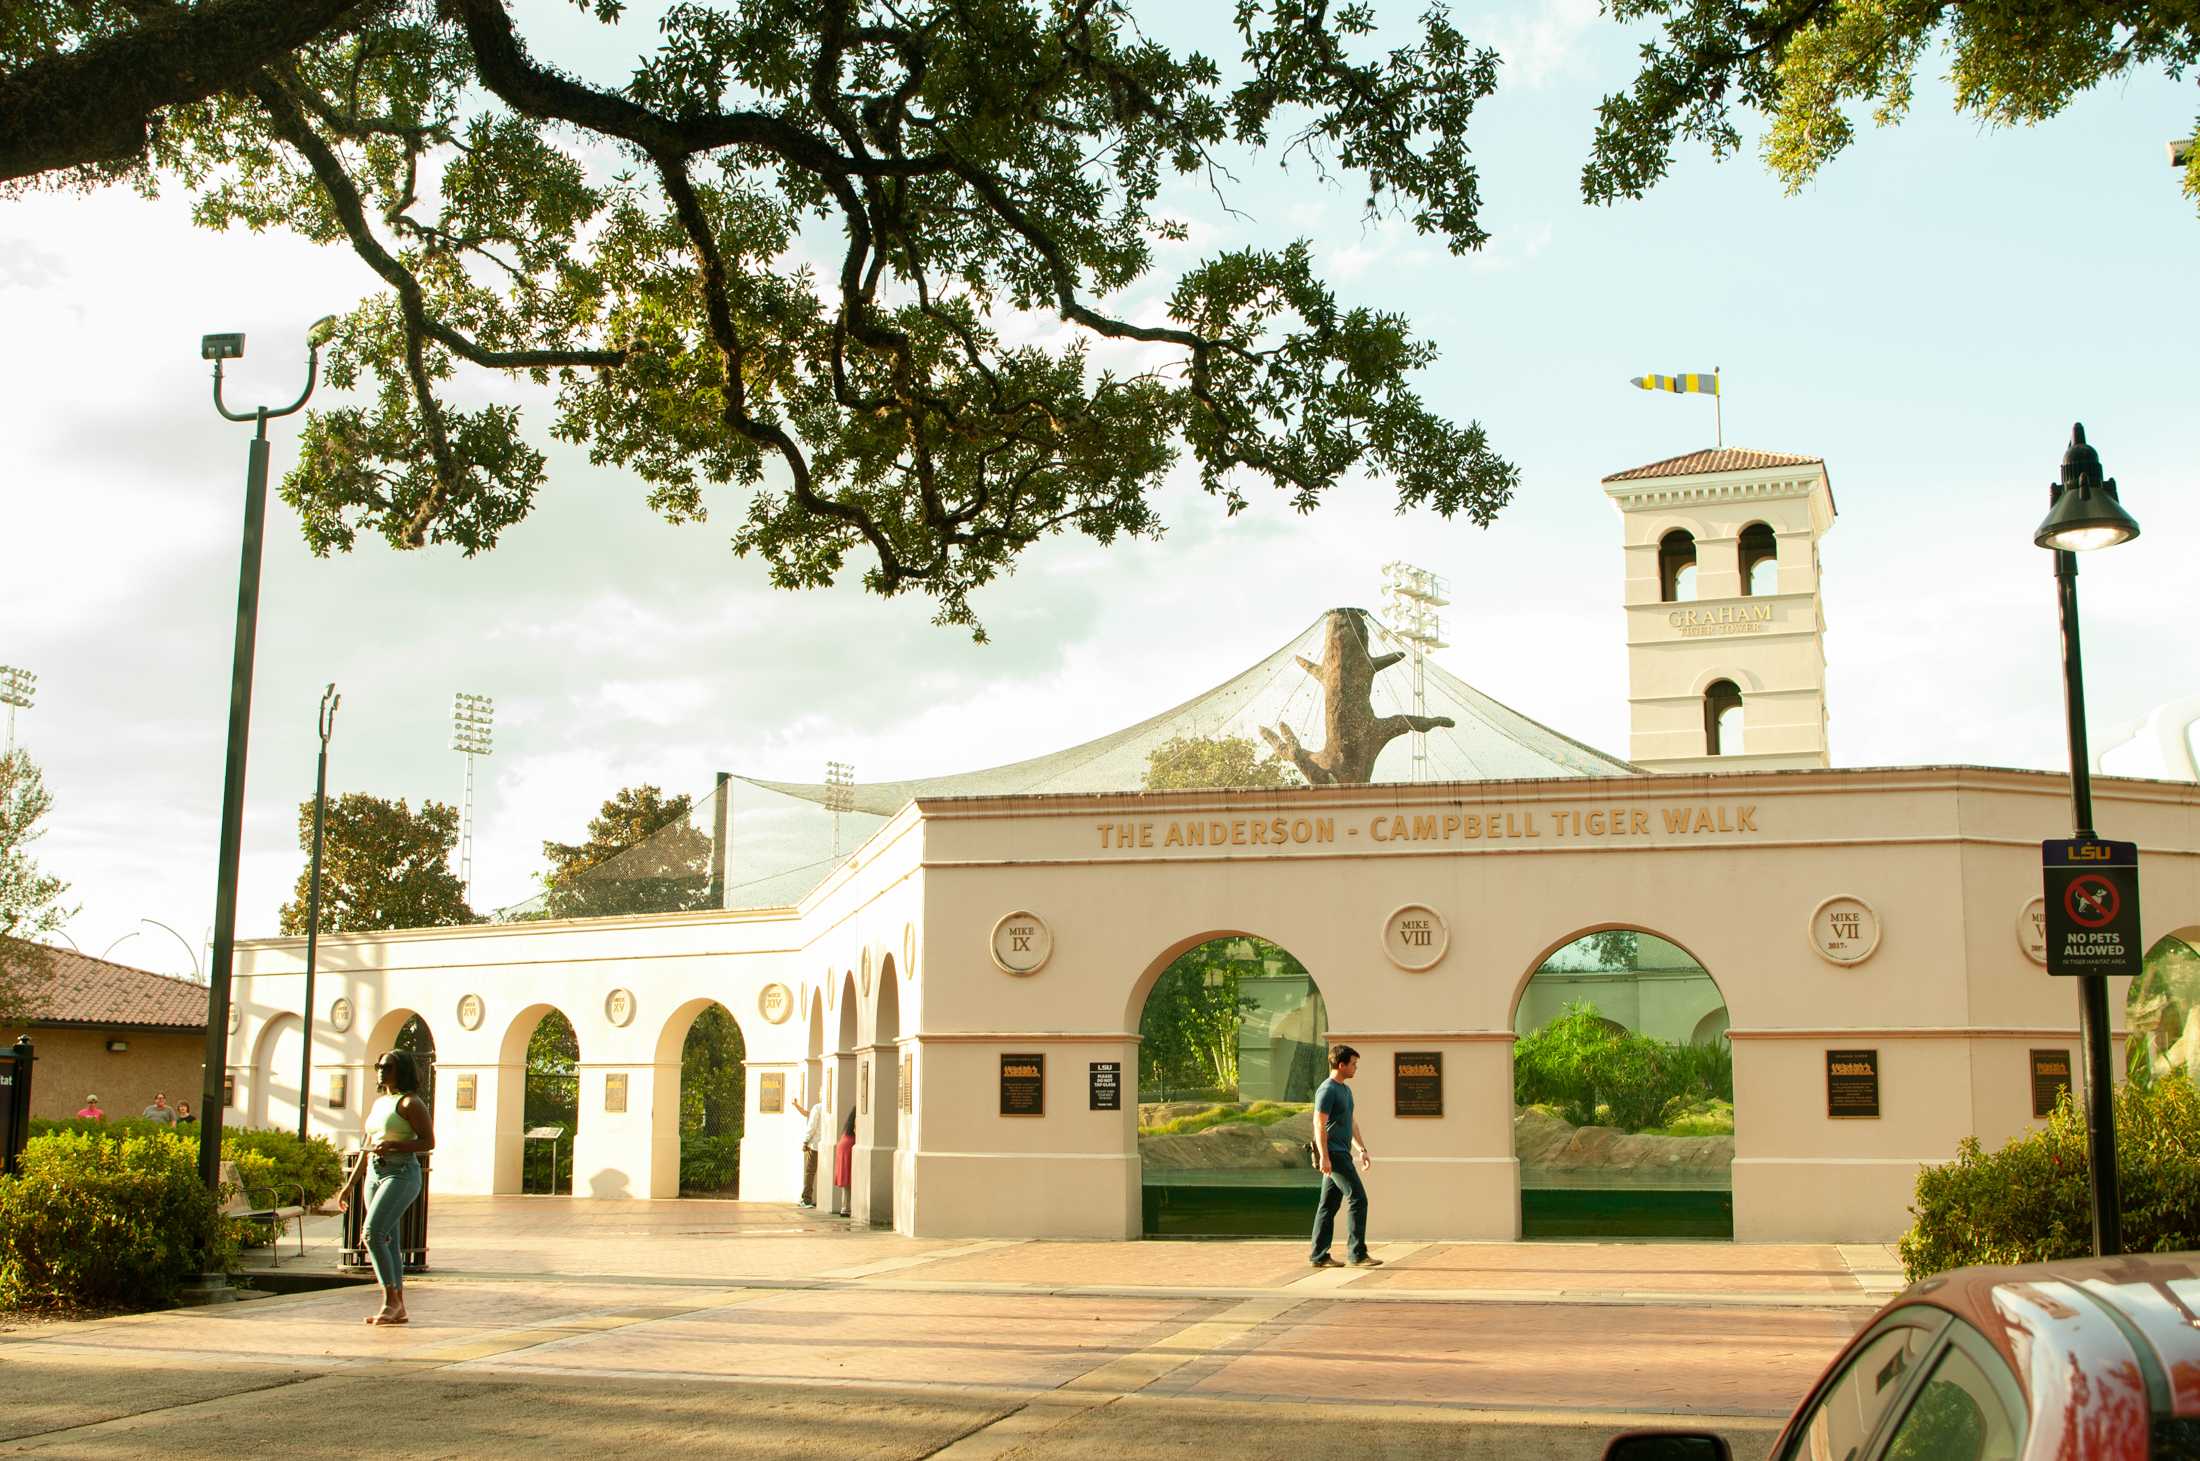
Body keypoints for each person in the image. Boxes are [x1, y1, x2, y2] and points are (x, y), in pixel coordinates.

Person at [336, 1051, 436, 1326]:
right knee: (388, 1238)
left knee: (372, 1232)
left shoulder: (410, 1103)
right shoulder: (380, 1103)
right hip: (375, 1173)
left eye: (387, 1066)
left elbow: (428, 1141)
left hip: (401, 1172)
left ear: (400, 1069)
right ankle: (396, 1306)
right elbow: (366, 1145)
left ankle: (391, 1301)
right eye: (378, 1065)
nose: (381, 1070)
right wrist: (349, 1185)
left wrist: (394, 1146)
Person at [1309, 1044, 1379, 1270]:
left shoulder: (1345, 1090)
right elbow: (1318, 1123)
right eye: (1353, 1064)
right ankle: (1357, 1254)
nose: (1355, 1068)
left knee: (1328, 1205)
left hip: (1343, 1152)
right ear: (1341, 1065)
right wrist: (1324, 1157)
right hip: (1334, 1155)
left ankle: (1319, 1256)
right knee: (1358, 1199)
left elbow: (1351, 1122)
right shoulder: (1327, 1090)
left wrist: (1361, 1148)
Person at [796, 1094, 826, 1207]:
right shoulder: (829, 1107)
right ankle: (824, 1199)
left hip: (815, 1145)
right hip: (825, 1144)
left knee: (810, 1172)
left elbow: (812, 1126)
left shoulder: (818, 1107)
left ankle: (806, 1198)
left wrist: (805, 1141)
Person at [831, 1107, 856, 1218]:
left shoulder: (850, 1122)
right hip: (849, 1146)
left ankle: (845, 1207)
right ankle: (846, 1208)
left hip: (844, 1145)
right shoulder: (857, 1119)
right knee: (849, 1180)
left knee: (846, 1180)